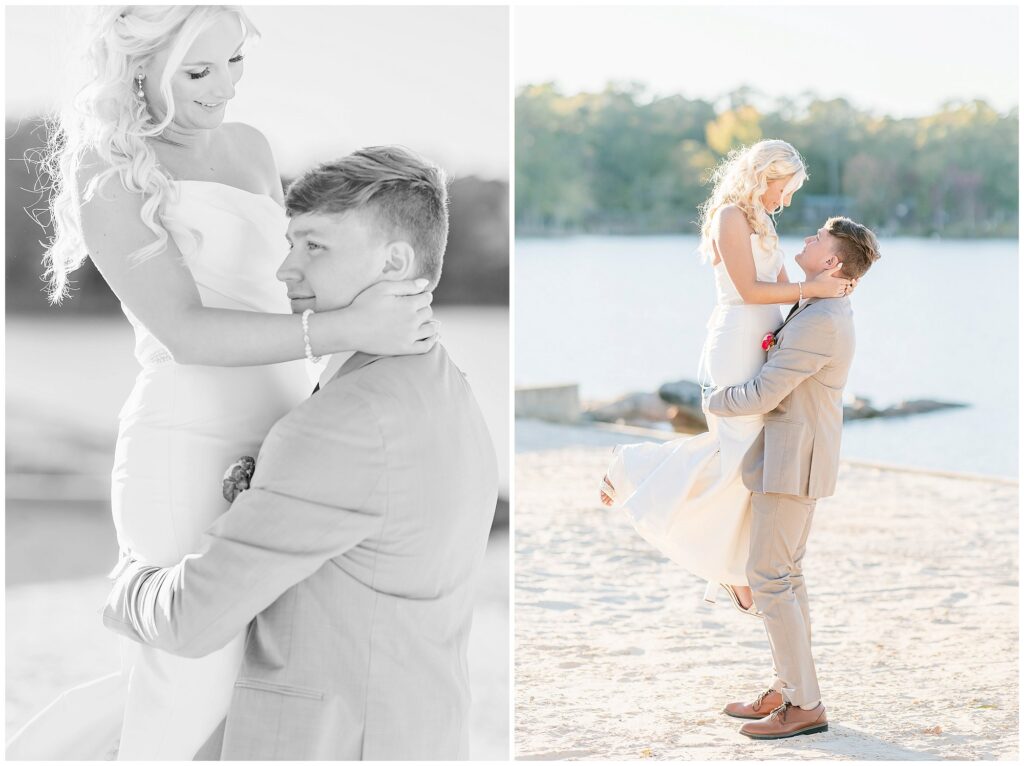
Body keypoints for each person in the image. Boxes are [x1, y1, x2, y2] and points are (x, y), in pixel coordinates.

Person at [6, 7, 434, 760]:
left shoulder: (250, 146)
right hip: (183, 446)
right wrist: (347, 331)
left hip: (285, 443)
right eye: (198, 72)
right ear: (137, 67)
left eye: (235, 63)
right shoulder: (107, 167)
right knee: (184, 684)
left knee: (258, 682)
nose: (223, 89)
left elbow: (293, 284)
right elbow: (185, 331)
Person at [102, 145, 499, 760]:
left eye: (315, 246)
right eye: (290, 244)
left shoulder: (346, 422)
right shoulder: (445, 386)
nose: (285, 270)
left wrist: (127, 578)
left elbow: (190, 621)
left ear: (395, 261)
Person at [599, 140, 853, 616]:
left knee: (749, 461)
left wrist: (821, 307)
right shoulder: (729, 217)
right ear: (766, 177)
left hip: (764, 337)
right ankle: (633, 466)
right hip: (736, 338)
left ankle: (732, 569)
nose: (787, 199)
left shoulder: (762, 219)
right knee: (735, 454)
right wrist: (812, 287)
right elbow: (750, 289)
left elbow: (782, 289)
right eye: (786, 188)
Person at [711, 216, 880, 739]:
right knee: (785, 576)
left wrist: (711, 400)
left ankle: (804, 705)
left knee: (770, 577)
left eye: (816, 240)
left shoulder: (821, 319)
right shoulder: (818, 305)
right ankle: (790, 687)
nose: (805, 240)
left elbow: (765, 393)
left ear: (832, 262)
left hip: (794, 459)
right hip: (794, 453)